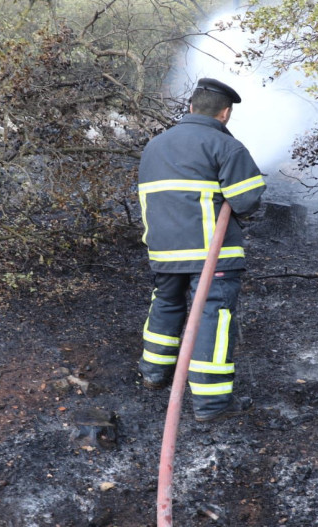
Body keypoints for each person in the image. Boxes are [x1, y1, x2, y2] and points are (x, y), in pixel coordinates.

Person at [137, 77, 266, 422]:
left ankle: (153, 373)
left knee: (166, 304)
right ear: (225, 114)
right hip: (211, 253)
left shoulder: (155, 145)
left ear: (191, 107)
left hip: (163, 251)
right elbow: (248, 200)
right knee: (212, 316)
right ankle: (211, 402)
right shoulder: (226, 146)